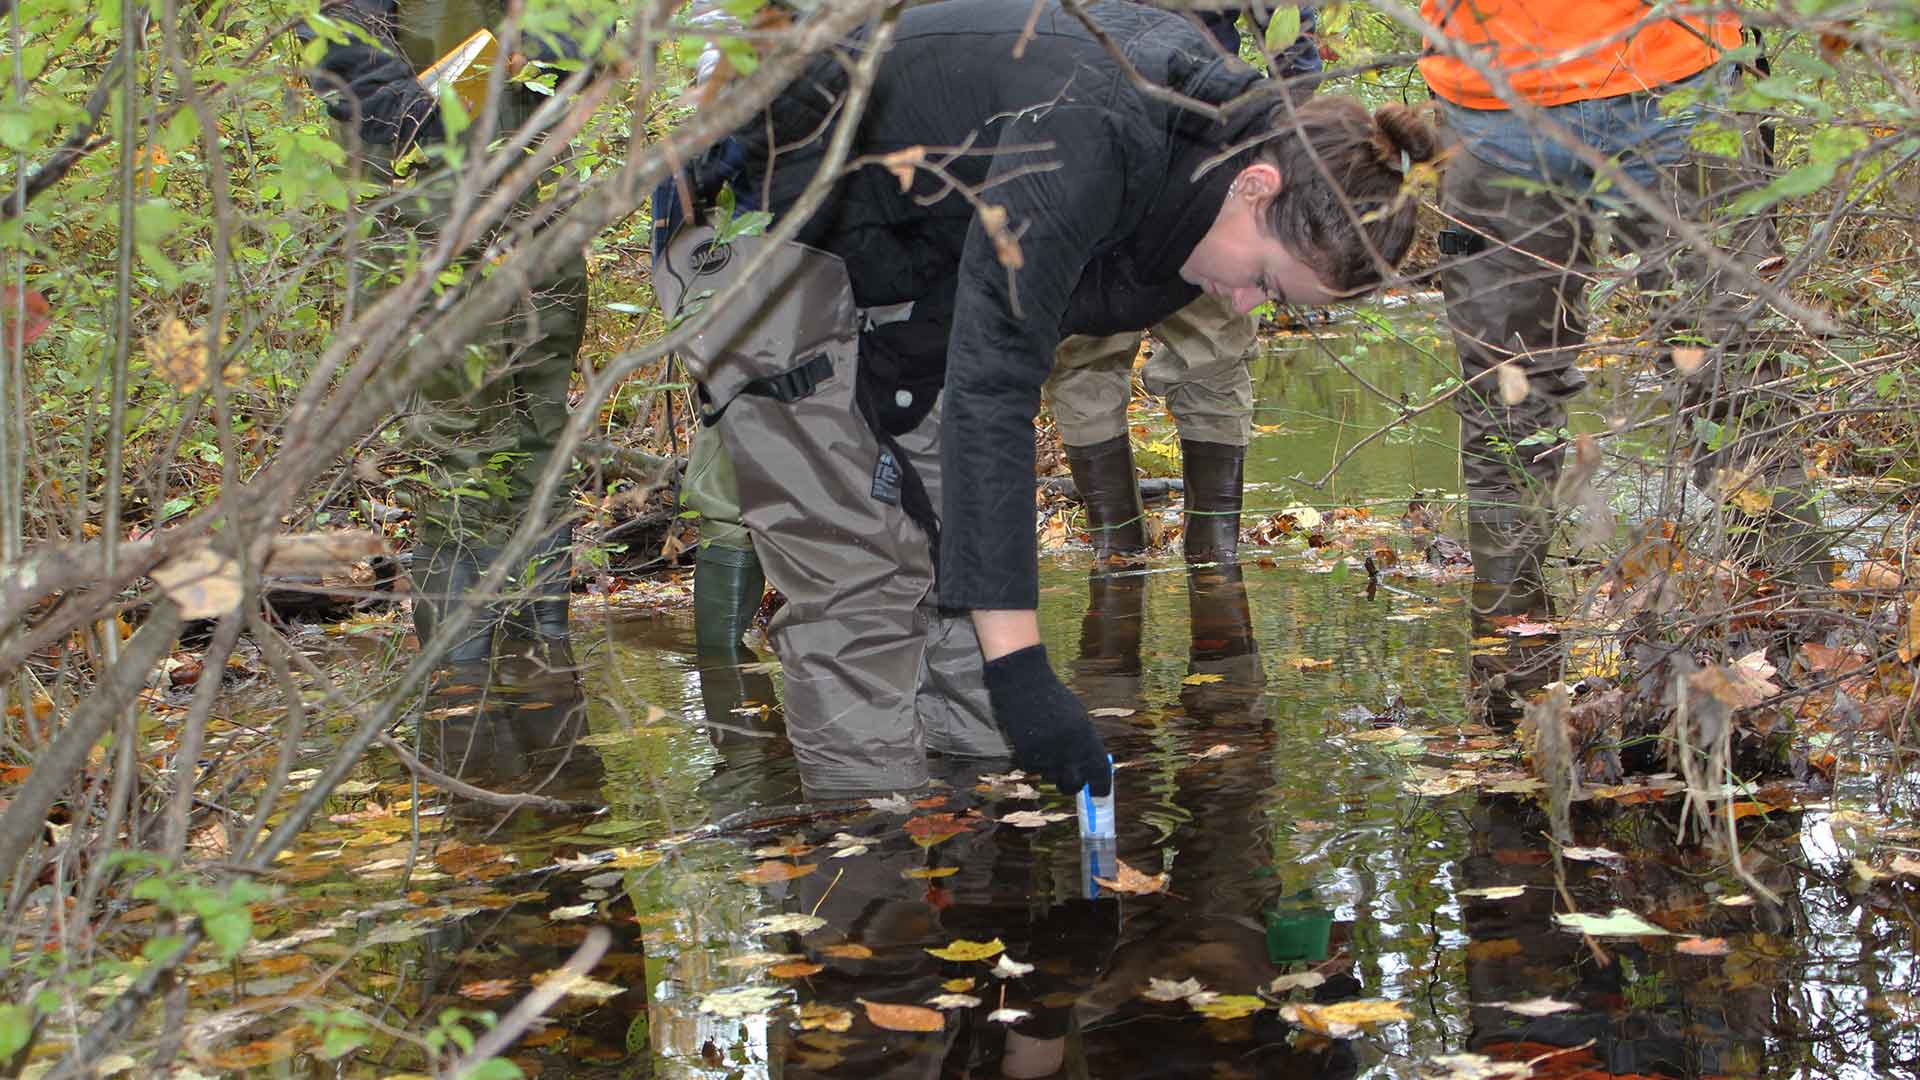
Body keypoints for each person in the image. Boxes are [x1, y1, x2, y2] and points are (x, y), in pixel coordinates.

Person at [652, 0, 1430, 797]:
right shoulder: (1097, 130)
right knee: (866, 579)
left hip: (911, 260)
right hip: (766, 230)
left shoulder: (1204, 159)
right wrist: (1026, 677)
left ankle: (982, 835)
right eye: (1264, 279)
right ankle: (869, 864)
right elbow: (996, 385)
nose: (1244, 307)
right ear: (1257, 187)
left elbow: (1013, 355)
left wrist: (1028, 705)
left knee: (956, 550)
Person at [1422, 0, 1830, 626]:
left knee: (1509, 395)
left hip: (1579, 80)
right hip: (1613, 79)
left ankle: (1510, 666)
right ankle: (1805, 637)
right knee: (1730, 374)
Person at [305, 0, 592, 668]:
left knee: (540, 436)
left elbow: (587, 39)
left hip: (535, 207)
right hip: (422, 225)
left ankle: (542, 667)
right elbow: (359, 89)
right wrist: (484, 72)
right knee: (455, 447)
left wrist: (550, 41)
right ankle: (460, 696)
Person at [1050, 3, 1322, 564]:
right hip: (1091, 127)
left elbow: (1291, 36)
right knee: (1085, 350)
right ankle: (1130, 552)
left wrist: (1279, 135)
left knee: (1203, 350)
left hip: (1190, 137)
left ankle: (1193, 557)